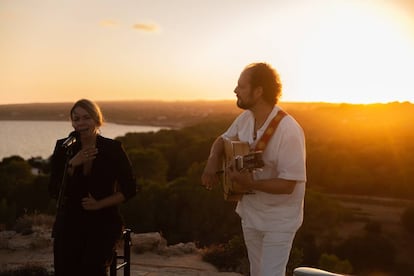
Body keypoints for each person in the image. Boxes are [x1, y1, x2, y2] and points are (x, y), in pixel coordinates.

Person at [201, 63, 306, 276]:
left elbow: (288, 185)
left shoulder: (289, 130)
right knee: (257, 272)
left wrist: (250, 184)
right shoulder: (245, 118)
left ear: (258, 91)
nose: (235, 90)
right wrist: (212, 160)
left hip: (280, 219)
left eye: (241, 86)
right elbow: (223, 139)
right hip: (250, 213)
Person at [49, 99, 137, 276]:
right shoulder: (64, 147)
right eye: (76, 119)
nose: (80, 123)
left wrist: (99, 204)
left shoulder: (113, 148)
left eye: (86, 118)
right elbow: (53, 189)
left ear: (97, 120)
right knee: (65, 267)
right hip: (70, 219)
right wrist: (72, 164)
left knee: (92, 267)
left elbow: (130, 188)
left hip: (103, 219)